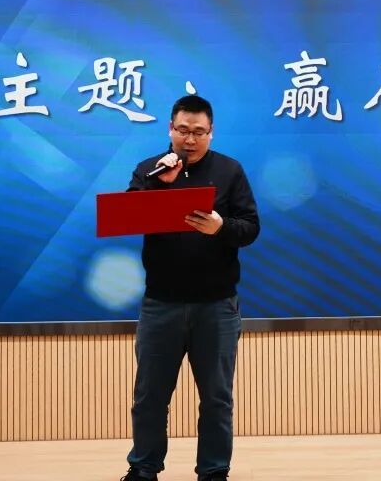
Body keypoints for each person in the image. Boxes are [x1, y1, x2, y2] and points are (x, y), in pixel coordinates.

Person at [121, 95, 260, 481]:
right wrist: (158, 186)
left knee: (216, 398)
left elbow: (250, 227)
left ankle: (214, 472)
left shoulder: (230, 171)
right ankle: (144, 468)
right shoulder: (150, 170)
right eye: (182, 130)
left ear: (211, 133)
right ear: (170, 129)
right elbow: (126, 216)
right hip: (160, 304)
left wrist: (221, 227)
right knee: (150, 396)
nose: (190, 139)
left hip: (217, 306)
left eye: (199, 132)